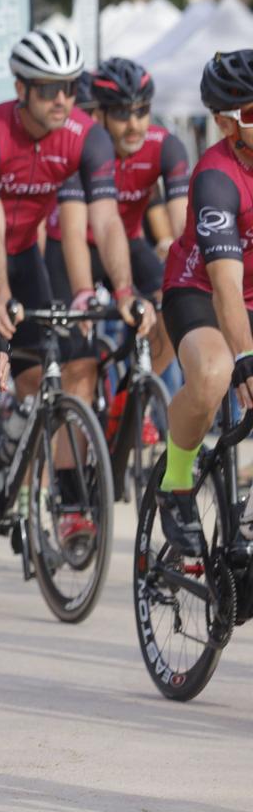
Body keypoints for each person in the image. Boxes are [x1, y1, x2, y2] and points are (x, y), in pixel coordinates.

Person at [0, 29, 155, 406]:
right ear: (21, 89)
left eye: (68, 87)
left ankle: (19, 442)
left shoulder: (87, 135)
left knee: (36, 377)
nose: (62, 100)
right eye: (48, 90)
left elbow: (106, 220)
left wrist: (125, 290)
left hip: (25, 251)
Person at [155, 50, 253, 553]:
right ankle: (175, 482)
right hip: (200, 292)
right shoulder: (216, 179)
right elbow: (227, 288)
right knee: (216, 373)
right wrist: (245, 358)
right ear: (224, 123)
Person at [43, 57, 187, 365]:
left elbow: (183, 222)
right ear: (99, 115)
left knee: (174, 310)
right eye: (122, 113)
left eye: (142, 111)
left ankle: (133, 396)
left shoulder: (165, 146)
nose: (134, 124)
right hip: (73, 248)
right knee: (80, 364)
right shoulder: (82, 148)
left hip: (127, 245)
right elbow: (72, 233)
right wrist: (83, 292)